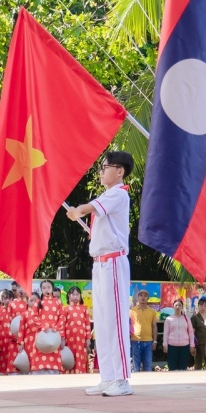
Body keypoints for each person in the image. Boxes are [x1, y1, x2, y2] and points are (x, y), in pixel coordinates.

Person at [66, 150, 135, 397]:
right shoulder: (108, 195)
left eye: (105, 167)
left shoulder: (118, 193)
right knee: (103, 323)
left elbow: (89, 208)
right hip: (100, 263)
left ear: (120, 171)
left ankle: (122, 379)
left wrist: (77, 211)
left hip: (114, 263)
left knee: (115, 321)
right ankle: (107, 377)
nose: (101, 171)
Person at [21, 292, 62, 374]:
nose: (33, 302)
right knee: (34, 362)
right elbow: (21, 330)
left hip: (47, 338)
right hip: (30, 342)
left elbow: (61, 319)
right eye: (31, 300)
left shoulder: (45, 312)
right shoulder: (24, 314)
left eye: (35, 300)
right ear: (27, 301)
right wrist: (20, 343)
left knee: (51, 358)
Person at [60, 286, 91, 374]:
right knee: (69, 355)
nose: (75, 296)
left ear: (80, 296)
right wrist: (62, 338)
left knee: (81, 355)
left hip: (81, 339)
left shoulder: (84, 309)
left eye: (77, 294)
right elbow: (62, 324)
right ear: (69, 296)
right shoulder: (65, 309)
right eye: (73, 294)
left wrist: (88, 338)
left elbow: (87, 324)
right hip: (69, 339)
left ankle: (80, 373)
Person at [162, 300, 195, 371]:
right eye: (176, 305)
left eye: (179, 305)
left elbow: (191, 332)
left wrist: (192, 345)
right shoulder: (168, 319)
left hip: (184, 346)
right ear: (173, 307)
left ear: (182, 307)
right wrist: (165, 345)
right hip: (172, 346)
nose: (178, 307)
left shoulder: (187, 319)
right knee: (172, 367)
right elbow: (166, 333)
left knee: (183, 368)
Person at [129, 289, 157, 372]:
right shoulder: (132, 310)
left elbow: (154, 326)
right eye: (141, 295)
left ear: (148, 298)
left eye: (145, 296)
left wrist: (155, 341)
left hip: (148, 342)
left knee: (148, 367)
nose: (143, 297)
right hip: (135, 341)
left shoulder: (152, 311)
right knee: (135, 367)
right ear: (138, 297)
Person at [189, 298, 206, 370]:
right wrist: (193, 346)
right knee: (198, 364)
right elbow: (192, 332)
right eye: (201, 305)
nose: (203, 307)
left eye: (205, 305)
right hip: (199, 345)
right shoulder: (194, 318)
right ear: (198, 306)